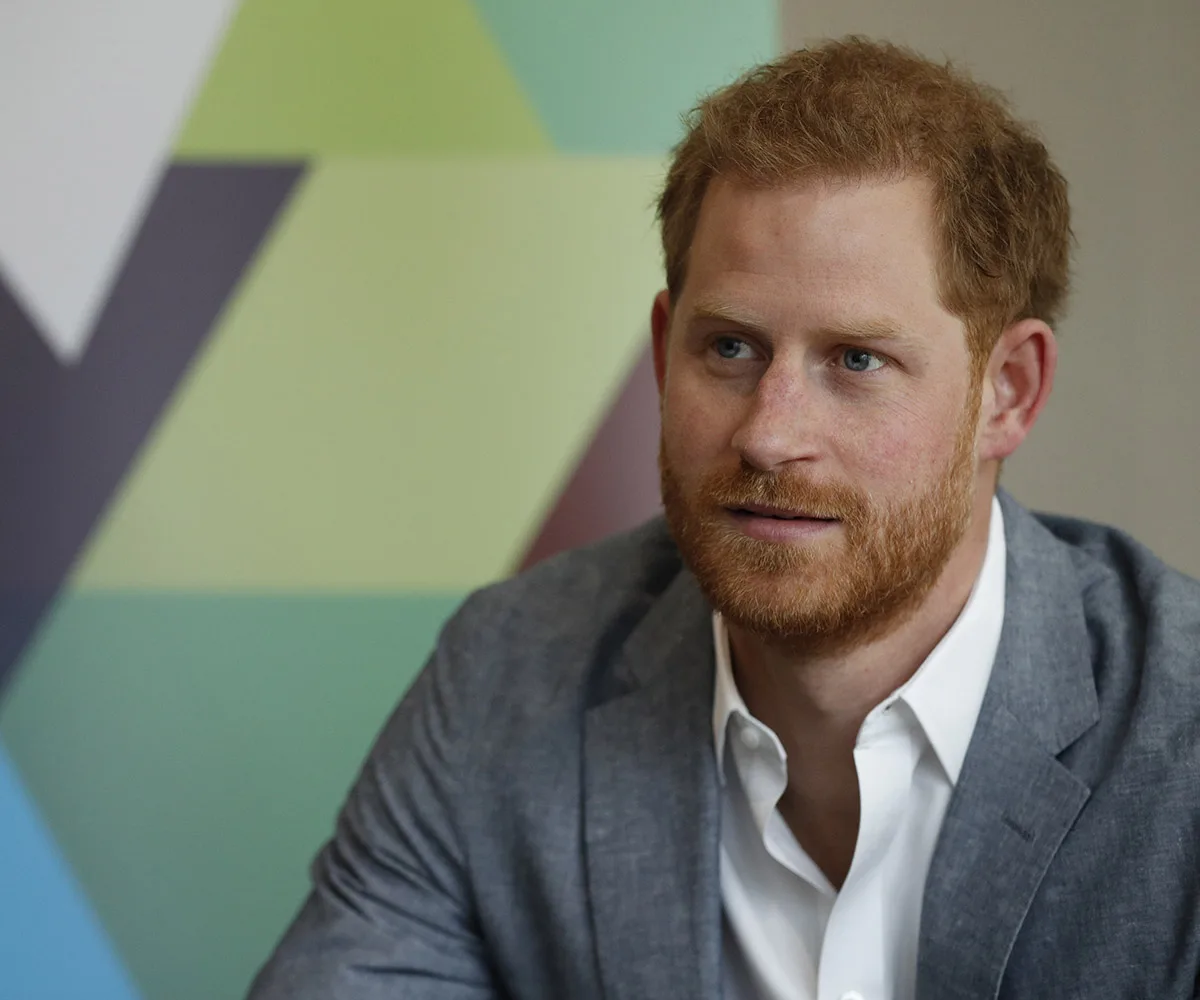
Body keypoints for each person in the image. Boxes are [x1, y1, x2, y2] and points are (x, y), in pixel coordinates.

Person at [248, 37, 1200, 1000]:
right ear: (666, 352)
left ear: (1009, 391)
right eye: (732, 348)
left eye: (856, 360)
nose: (769, 436)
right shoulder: (508, 676)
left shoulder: (1180, 731)